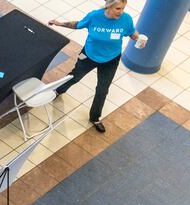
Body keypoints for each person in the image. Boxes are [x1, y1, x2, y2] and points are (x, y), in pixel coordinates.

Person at [49, 0, 139, 133]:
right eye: (118, 8)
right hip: (89, 55)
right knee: (75, 76)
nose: (121, 12)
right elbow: (77, 24)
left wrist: (138, 38)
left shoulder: (126, 19)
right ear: (109, 6)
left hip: (111, 59)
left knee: (103, 89)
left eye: (123, 8)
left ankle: (95, 117)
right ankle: (58, 90)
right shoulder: (94, 16)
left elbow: (132, 33)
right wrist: (60, 23)